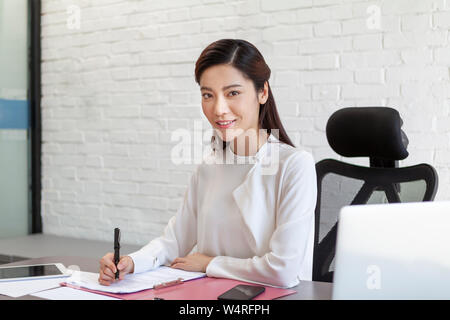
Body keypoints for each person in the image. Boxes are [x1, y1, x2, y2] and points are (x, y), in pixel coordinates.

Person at [98, 39, 317, 288]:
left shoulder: (294, 165)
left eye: (233, 93)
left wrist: (209, 263)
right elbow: (174, 241)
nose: (219, 109)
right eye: (207, 95)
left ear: (262, 92)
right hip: (212, 294)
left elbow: (283, 270)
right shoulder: (208, 167)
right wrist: (131, 262)